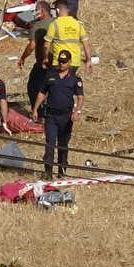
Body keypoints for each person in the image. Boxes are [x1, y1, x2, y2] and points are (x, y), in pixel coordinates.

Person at [31, 50, 85, 179]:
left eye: (64, 62)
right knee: (50, 143)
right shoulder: (51, 76)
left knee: (63, 144)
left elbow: (80, 97)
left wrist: (77, 111)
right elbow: (42, 93)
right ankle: (48, 171)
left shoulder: (74, 79)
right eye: (60, 61)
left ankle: (62, 169)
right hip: (51, 116)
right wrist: (35, 109)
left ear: (70, 62)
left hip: (66, 117)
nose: (62, 64)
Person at [17, 1, 55, 108]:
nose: (34, 13)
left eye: (36, 10)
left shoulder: (37, 26)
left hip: (43, 63)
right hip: (58, 62)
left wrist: (23, 57)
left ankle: (38, 111)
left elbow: (32, 46)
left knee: (34, 87)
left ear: (42, 11)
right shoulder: (57, 22)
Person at [47, 0, 93, 75]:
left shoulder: (54, 25)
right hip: (74, 63)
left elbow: (46, 46)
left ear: (57, 11)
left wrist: (45, 58)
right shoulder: (78, 24)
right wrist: (89, 61)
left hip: (59, 62)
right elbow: (86, 45)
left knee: (57, 85)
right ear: (67, 10)